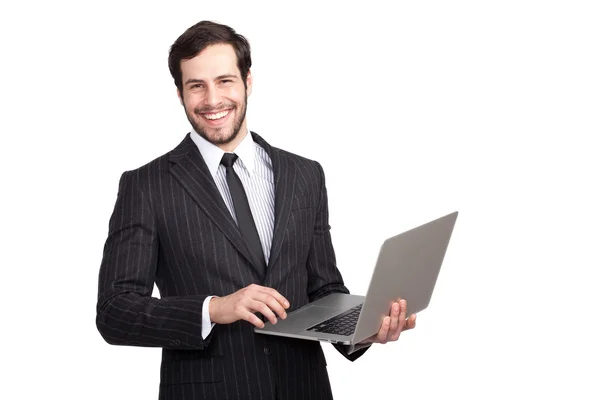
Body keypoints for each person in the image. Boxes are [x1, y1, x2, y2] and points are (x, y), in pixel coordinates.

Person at [96, 20, 417, 400]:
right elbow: (115, 313)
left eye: (225, 81)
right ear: (180, 94)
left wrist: (363, 328)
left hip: (304, 388)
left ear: (248, 81)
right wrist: (213, 309)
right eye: (196, 85)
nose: (212, 99)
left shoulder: (304, 174)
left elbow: (323, 289)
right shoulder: (147, 186)